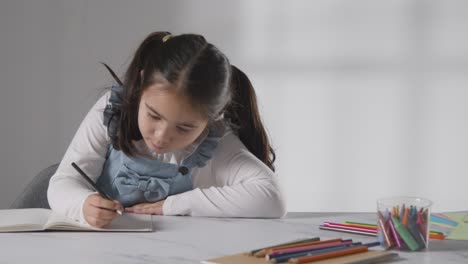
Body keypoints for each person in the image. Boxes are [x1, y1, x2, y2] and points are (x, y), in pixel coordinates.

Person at [47, 31, 286, 228]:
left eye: (184, 128)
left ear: (212, 119)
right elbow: (64, 182)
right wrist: (83, 204)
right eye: (153, 115)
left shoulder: (215, 140)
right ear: (141, 84)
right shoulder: (113, 112)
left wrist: (170, 205)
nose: (161, 136)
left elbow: (272, 197)